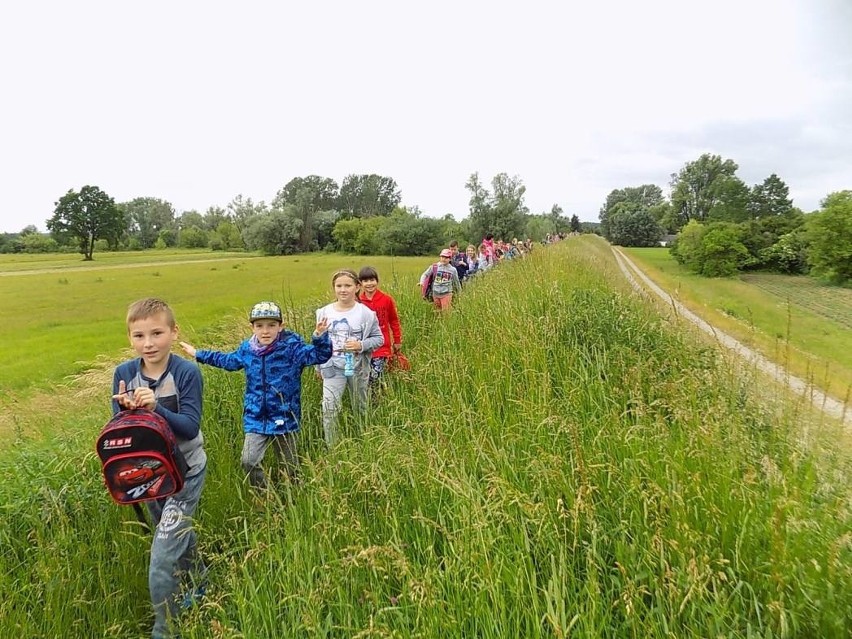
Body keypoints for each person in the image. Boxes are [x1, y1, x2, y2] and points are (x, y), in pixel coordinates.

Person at [111, 297, 207, 639]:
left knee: (162, 555)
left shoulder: (186, 372)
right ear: (130, 338)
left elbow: (190, 427)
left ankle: (165, 630)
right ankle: (202, 585)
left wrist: (156, 409)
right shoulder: (123, 374)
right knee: (177, 535)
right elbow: (121, 433)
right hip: (148, 476)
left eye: (156, 333)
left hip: (185, 473)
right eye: (138, 336)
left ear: (173, 331)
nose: (148, 343)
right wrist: (125, 411)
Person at [179, 301, 332, 489]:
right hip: (256, 417)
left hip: (285, 416)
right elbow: (228, 361)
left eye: (271, 325)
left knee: (289, 466)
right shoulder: (247, 350)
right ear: (252, 327)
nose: (265, 331)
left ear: (281, 326)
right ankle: (265, 496)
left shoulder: (293, 349)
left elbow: (320, 355)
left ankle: (293, 497)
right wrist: (198, 353)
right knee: (248, 461)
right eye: (259, 326)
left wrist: (319, 336)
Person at [316, 269, 384, 446]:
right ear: (334, 288)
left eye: (348, 285)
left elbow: (379, 339)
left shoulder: (366, 314)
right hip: (332, 368)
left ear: (357, 287)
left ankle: (364, 440)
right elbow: (318, 342)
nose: (343, 290)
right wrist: (317, 338)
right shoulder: (324, 312)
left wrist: (360, 345)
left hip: (358, 368)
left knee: (360, 406)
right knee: (329, 407)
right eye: (339, 286)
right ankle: (332, 447)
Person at [357, 266, 403, 387]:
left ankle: (375, 401)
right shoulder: (357, 302)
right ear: (360, 283)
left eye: (372, 280)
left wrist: (397, 340)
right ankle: (364, 401)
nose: (369, 284)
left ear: (377, 281)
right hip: (363, 346)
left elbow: (394, 321)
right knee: (363, 376)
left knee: (375, 376)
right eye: (365, 281)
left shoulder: (386, 299)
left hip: (382, 347)